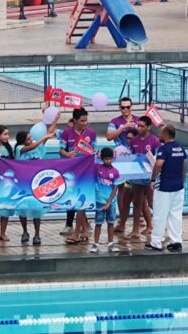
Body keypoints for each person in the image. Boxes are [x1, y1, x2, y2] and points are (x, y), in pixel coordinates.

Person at [14, 113, 59, 245]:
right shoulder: (19, 149)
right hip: (23, 184)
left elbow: (48, 134)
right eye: (28, 138)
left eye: (30, 137)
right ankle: (25, 231)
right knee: (22, 209)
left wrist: (55, 120)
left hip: (36, 184)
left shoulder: (38, 147)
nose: (31, 139)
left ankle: (37, 234)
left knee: (37, 210)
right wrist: (43, 138)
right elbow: (31, 147)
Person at [147, 125, 187, 252]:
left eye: (161, 133)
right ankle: (176, 241)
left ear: (166, 134)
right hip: (178, 186)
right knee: (176, 214)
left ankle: (156, 242)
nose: (159, 135)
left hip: (164, 186)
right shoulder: (180, 148)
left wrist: (153, 179)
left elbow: (158, 164)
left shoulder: (164, 149)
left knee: (160, 214)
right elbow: (184, 166)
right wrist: (181, 181)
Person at [60, 108, 97, 245]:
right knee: (75, 200)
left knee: (82, 200)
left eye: (86, 120)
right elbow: (61, 149)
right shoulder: (67, 133)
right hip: (72, 171)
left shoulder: (91, 133)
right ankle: (83, 229)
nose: (85, 123)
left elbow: (94, 151)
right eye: (82, 121)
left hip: (86, 170)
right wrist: (68, 154)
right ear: (75, 120)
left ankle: (78, 233)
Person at [107, 97, 139, 234]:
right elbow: (109, 136)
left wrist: (137, 128)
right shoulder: (115, 122)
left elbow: (147, 134)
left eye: (128, 107)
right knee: (121, 191)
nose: (125, 110)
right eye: (123, 107)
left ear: (132, 107)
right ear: (120, 108)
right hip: (120, 160)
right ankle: (122, 222)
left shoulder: (139, 120)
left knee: (139, 193)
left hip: (137, 161)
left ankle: (139, 226)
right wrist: (123, 128)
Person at [127, 116, 161, 239]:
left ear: (148, 127)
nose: (139, 128)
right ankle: (135, 230)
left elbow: (158, 159)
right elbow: (131, 157)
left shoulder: (154, 141)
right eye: (138, 125)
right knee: (137, 203)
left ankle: (158, 227)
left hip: (149, 177)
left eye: (142, 126)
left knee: (152, 203)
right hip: (137, 176)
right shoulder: (133, 141)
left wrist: (155, 176)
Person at [91, 148, 120, 254]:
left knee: (111, 223)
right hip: (99, 202)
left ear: (113, 158)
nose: (108, 161)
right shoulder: (97, 168)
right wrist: (93, 154)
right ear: (102, 159)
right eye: (106, 159)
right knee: (98, 223)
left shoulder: (115, 172)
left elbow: (115, 189)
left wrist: (108, 203)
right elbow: (90, 163)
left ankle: (111, 243)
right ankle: (95, 244)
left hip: (111, 203)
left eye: (110, 159)